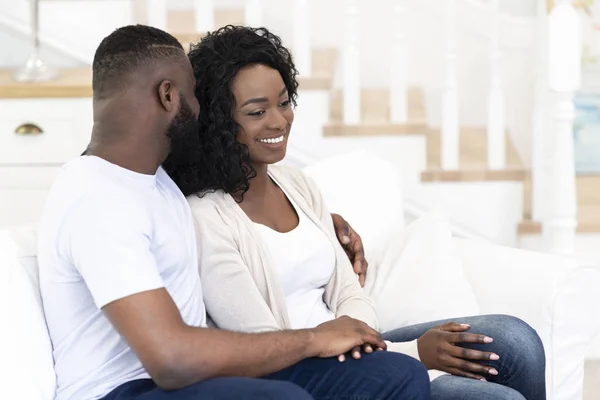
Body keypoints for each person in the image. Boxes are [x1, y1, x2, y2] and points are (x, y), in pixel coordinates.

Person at [36, 24, 432, 400]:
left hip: (179, 383)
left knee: (401, 374)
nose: (204, 111)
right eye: (195, 96)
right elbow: (171, 360)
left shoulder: (152, 182)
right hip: (124, 391)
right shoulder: (97, 199)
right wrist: (314, 338)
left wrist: (322, 227)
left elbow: (232, 190)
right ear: (169, 96)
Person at [163, 25, 547, 400]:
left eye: (283, 102)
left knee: (517, 339)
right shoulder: (205, 218)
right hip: (306, 375)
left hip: (358, 349)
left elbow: (350, 291)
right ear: (218, 124)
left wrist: (364, 342)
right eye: (256, 111)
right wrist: (415, 353)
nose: (279, 121)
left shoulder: (297, 184)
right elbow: (263, 347)